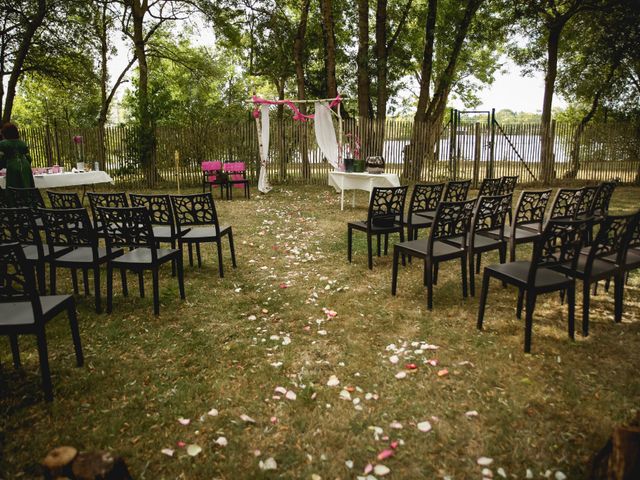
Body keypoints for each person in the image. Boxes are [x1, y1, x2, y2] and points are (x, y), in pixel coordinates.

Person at [0, 122, 35, 188]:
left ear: (4, 133)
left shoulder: (2, 144)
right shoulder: (22, 143)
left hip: (12, 167)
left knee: (14, 189)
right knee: (27, 187)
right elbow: (29, 158)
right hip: (25, 166)